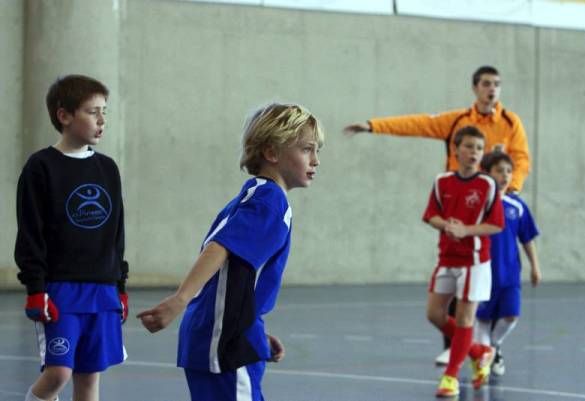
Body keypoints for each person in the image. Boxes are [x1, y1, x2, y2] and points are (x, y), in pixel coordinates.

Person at [344, 65, 531, 365]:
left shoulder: (511, 123)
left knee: (485, 280)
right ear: (475, 88)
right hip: (457, 208)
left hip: (487, 207)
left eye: (497, 84)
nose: (491, 89)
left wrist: (511, 189)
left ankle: (489, 346)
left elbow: (521, 159)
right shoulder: (457, 121)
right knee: (454, 280)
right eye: (486, 84)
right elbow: (417, 123)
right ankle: (458, 344)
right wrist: (373, 125)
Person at [137, 103, 324, 401]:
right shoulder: (269, 202)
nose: (315, 160)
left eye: (317, 151)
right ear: (272, 152)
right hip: (224, 342)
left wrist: (254, 331)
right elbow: (220, 248)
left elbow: (234, 273)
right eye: (306, 149)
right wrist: (179, 299)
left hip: (220, 334)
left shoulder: (255, 195)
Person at [15, 75, 129, 401]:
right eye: (93, 112)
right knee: (58, 373)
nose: (102, 120)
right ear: (64, 116)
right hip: (60, 289)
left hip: (102, 289)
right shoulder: (40, 167)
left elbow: (116, 234)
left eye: (104, 111)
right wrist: (36, 289)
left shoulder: (108, 169)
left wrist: (119, 285)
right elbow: (30, 234)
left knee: (89, 378)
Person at [422, 126, 504, 397]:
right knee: (434, 314)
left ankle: (451, 377)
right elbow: (431, 215)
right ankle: (479, 351)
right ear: (455, 149)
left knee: (464, 318)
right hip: (446, 257)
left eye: (479, 149)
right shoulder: (442, 181)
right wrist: (447, 225)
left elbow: (496, 225)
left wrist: (466, 230)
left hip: (475, 261)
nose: (474, 153)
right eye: (468, 147)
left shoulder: (487, 184)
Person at [474, 151, 541, 377]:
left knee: (511, 315)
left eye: (509, 171)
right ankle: (483, 357)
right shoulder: (478, 204)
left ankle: (493, 346)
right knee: (482, 319)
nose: (505, 176)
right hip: (482, 272)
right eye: (499, 171)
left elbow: (527, 238)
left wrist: (535, 266)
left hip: (509, 273)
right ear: (486, 173)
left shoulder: (516, 205)